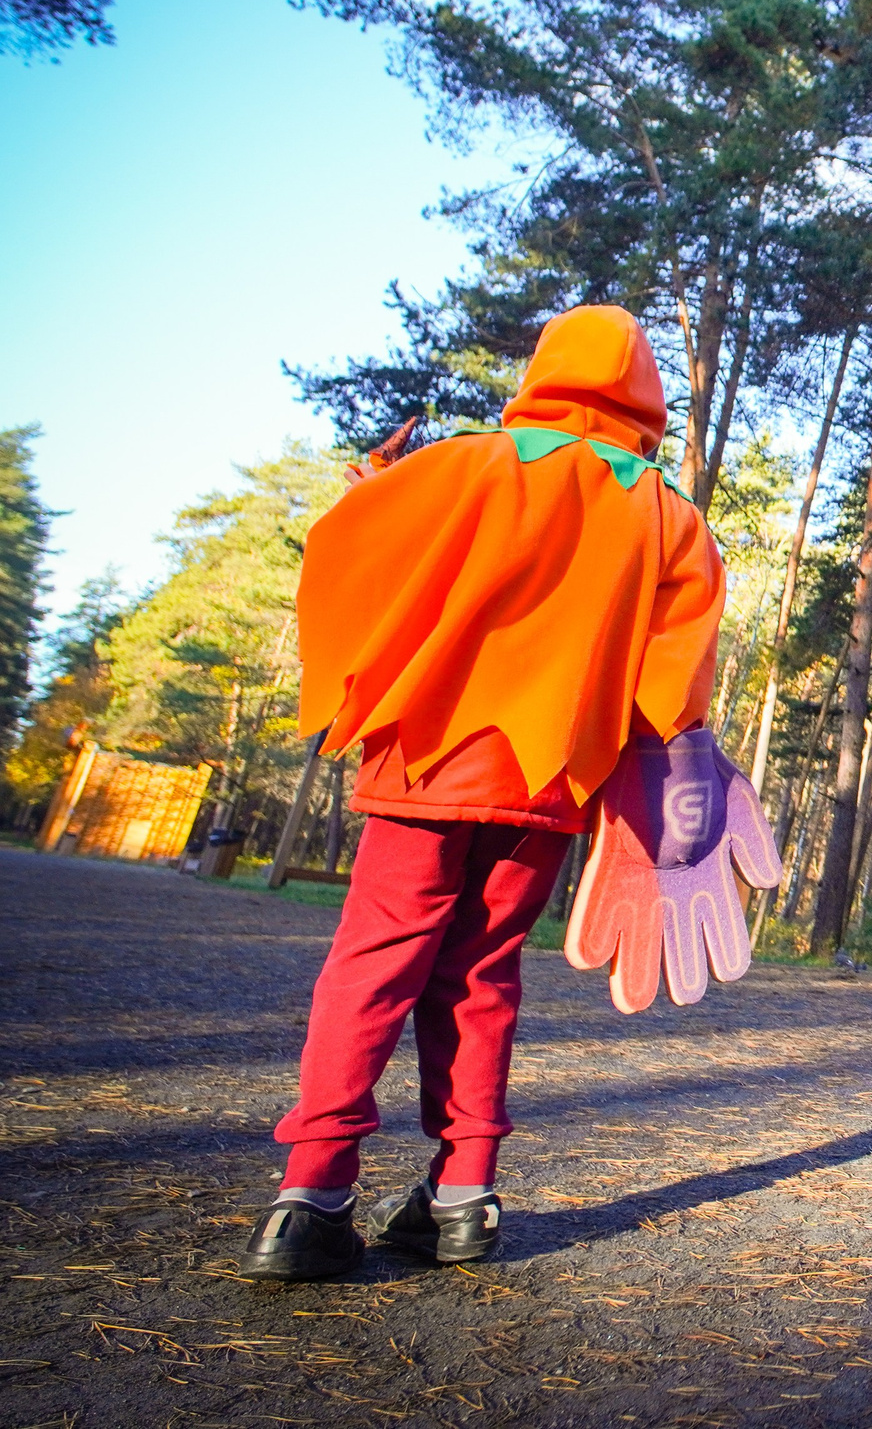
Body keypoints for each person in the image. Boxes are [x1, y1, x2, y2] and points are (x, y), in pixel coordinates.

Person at [238, 306, 726, 1283]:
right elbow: (673, 694)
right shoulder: (669, 516)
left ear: (545, 371)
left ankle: (314, 1196)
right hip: (547, 785)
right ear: (646, 396)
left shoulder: (464, 465)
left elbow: (345, 547)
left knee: (372, 967)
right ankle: (463, 1196)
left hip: (426, 760)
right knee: (484, 973)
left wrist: (373, 491)